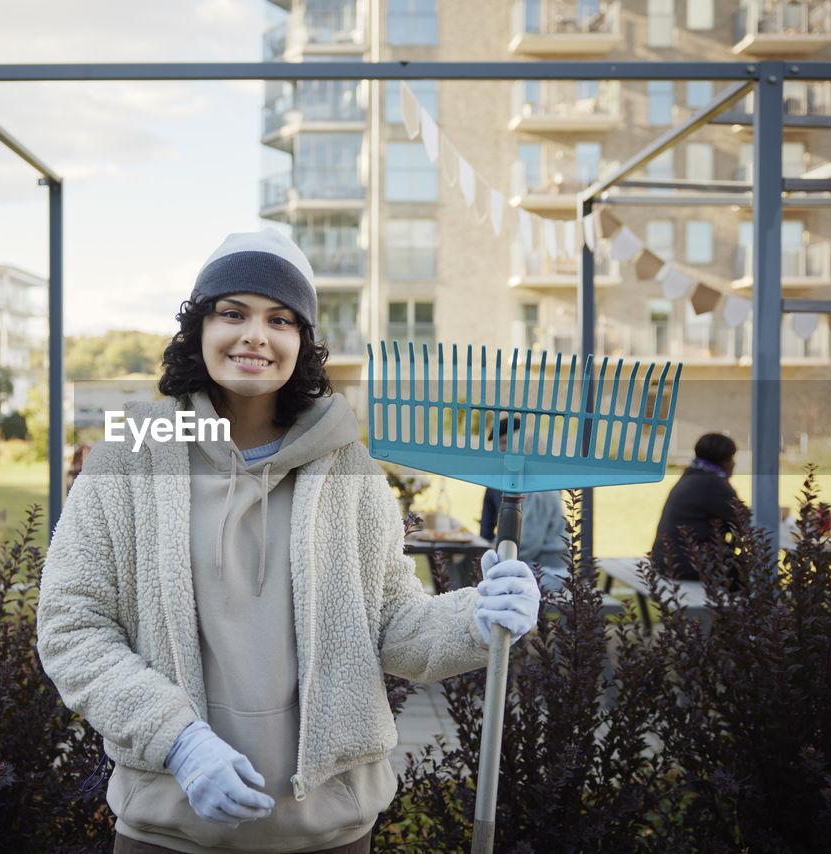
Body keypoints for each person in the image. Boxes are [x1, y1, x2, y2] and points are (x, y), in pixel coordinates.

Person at [36, 230, 542, 854]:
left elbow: (391, 626)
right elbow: (72, 628)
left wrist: (477, 617)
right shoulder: (127, 459)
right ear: (198, 328)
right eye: (232, 313)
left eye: (280, 319)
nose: (256, 335)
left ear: (301, 343)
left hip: (329, 831)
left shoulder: (350, 468)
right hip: (170, 827)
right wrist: (179, 742)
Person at [478, 415, 570, 590]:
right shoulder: (531, 482)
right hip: (536, 569)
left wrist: (493, 549)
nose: (501, 450)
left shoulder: (541, 488)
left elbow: (526, 544)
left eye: (506, 444)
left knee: (489, 581)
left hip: (549, 573)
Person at [650, 432, 741, 581]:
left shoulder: (691, 475)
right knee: (754, 572)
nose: (734, 464)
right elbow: (744, 522)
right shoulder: (714, 484)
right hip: (687, 564)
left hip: (666, 560)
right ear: (724, 461)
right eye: (731, 458)